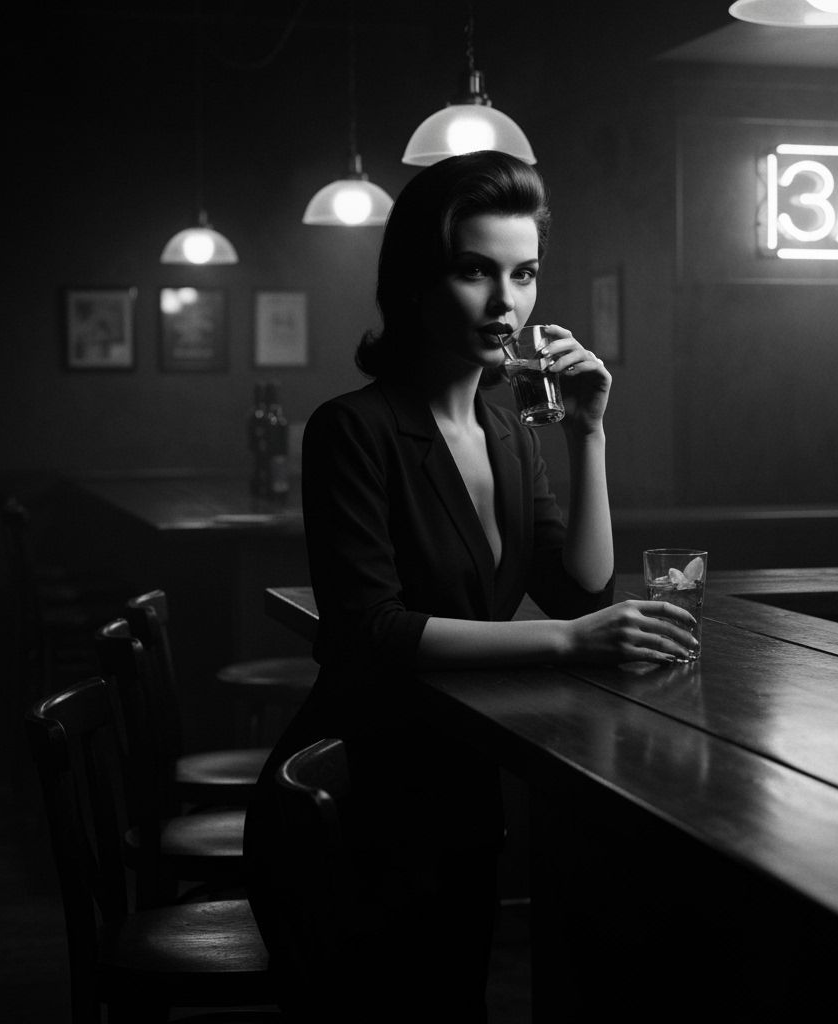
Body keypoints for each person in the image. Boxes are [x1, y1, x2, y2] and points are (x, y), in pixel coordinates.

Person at [244, 150, 698, 1022]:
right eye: (474, 271)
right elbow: (369, 632)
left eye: (524, 274)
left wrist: (589, 431)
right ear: (418, 280)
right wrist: (571, 643)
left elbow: (578, 584)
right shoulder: (353, 429)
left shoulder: (509, 426)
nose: (507, 303)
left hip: (453, 790)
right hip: (351, 795)